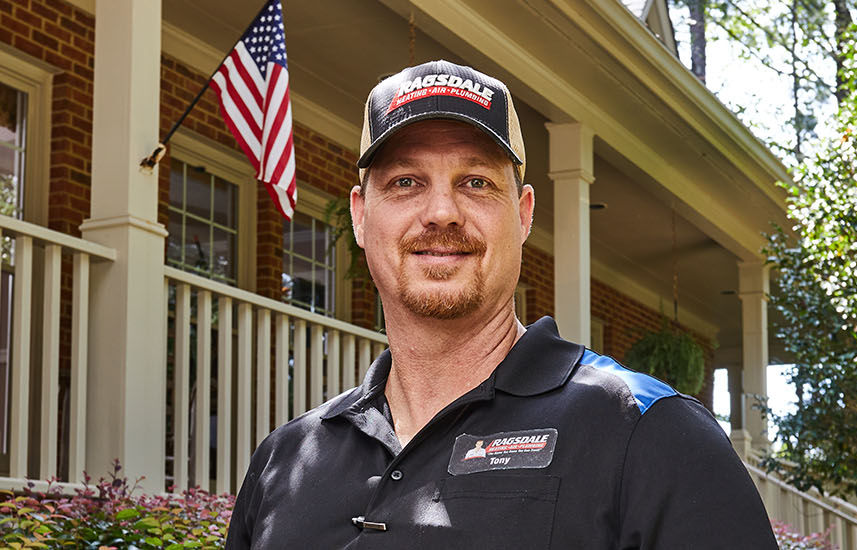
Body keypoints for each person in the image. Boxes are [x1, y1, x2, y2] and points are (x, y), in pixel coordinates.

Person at [223, 60, 776, 549]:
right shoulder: (285, 460)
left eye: (477, 182)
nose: (441, 211)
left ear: (524, 213)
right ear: (362, 216)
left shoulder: (648, 432)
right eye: (407, 182)